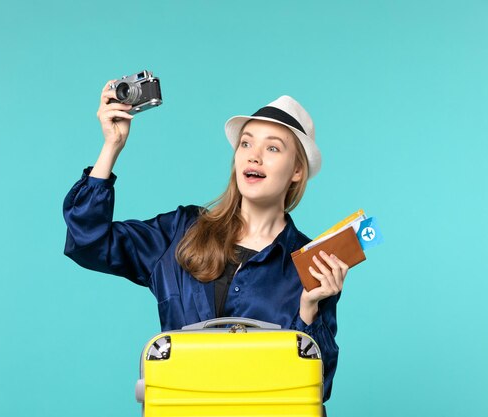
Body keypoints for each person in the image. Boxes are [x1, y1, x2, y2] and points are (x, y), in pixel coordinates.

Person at [63, 80, 350, 407]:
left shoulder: (312, 263)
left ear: (297, 170)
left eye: (272, 148)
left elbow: (316, 389)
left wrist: (308, 309)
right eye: (245, 144)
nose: (253, 156)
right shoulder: (180, 233)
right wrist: (111, 146)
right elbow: (89, 242)